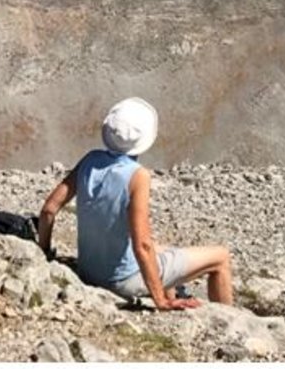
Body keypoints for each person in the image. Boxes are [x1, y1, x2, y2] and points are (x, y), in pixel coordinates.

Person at [38, 96, 233, 312]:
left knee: (166, 250)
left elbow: (49, 209)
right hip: (121, 281)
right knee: (220, 257)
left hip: (88, 271)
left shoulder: (90, 159)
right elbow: (142, 245)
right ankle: (230, 321)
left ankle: (170, 290)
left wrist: (44, 251)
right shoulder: (137, 176)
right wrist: (161, 301)